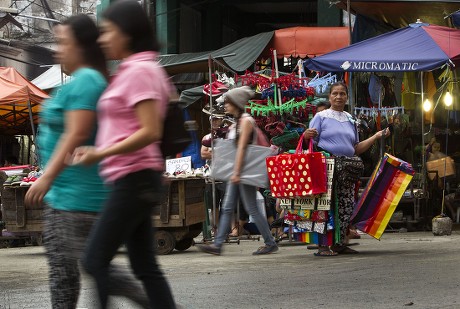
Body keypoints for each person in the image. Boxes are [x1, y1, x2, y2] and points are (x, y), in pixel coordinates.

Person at [24, 14, 149, 308]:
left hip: (73, 197)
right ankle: (156, 302)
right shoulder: (87, 80)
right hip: (77, 195)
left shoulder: (87, 80)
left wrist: (47, 177)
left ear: (81, 46)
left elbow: (77, 133)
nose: (57, 50)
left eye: (63, 42)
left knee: (66, 276)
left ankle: (157, 302)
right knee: (91, 267)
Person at [71, 1, 176, 308]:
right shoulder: (136, 68)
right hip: (134, 178)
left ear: (127, 33)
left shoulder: (140, 71)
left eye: (107, 31)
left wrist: (100, 152)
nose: (102, 39)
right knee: (145, 267)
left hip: (135, 177)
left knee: (94, 260)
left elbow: (150, 131)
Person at [304, 81, 390, 256]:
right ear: (329, 96)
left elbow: (356, 148)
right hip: (326, 168)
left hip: (347, 169)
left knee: (345, 205)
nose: (338, 97)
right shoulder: (321, 117)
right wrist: (306, 135)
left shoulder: (351, 119)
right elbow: (310, 143)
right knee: (324, 205)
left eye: (342, 93)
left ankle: (339, 243)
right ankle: (322, 245)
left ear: (347, 97)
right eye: (335, 93)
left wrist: (375, 136)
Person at [196, 86, 278, 255]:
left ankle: (269, 242)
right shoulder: (237, 123)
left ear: (237, 103)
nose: (225, 106)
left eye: (228, 102)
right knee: (229, 207)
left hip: (242, 172)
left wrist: (237, 172)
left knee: (249, 208)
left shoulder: (246, 121)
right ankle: (218, 245)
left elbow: (241, 149)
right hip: (239, 171)